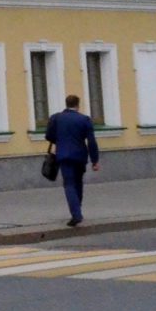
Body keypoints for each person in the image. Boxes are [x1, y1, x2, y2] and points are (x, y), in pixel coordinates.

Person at [43, 93, 100, 228]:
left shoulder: (56, 118)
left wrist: (60, 139)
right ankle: (77, 210)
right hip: (80, 156)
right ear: (78, 105)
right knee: (78, 183)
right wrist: (95, 160)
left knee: (69, 184)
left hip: (63, 155)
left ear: (66, 104)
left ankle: (76, 214)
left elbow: (49, 136)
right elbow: (91, 142)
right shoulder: (84, 120)